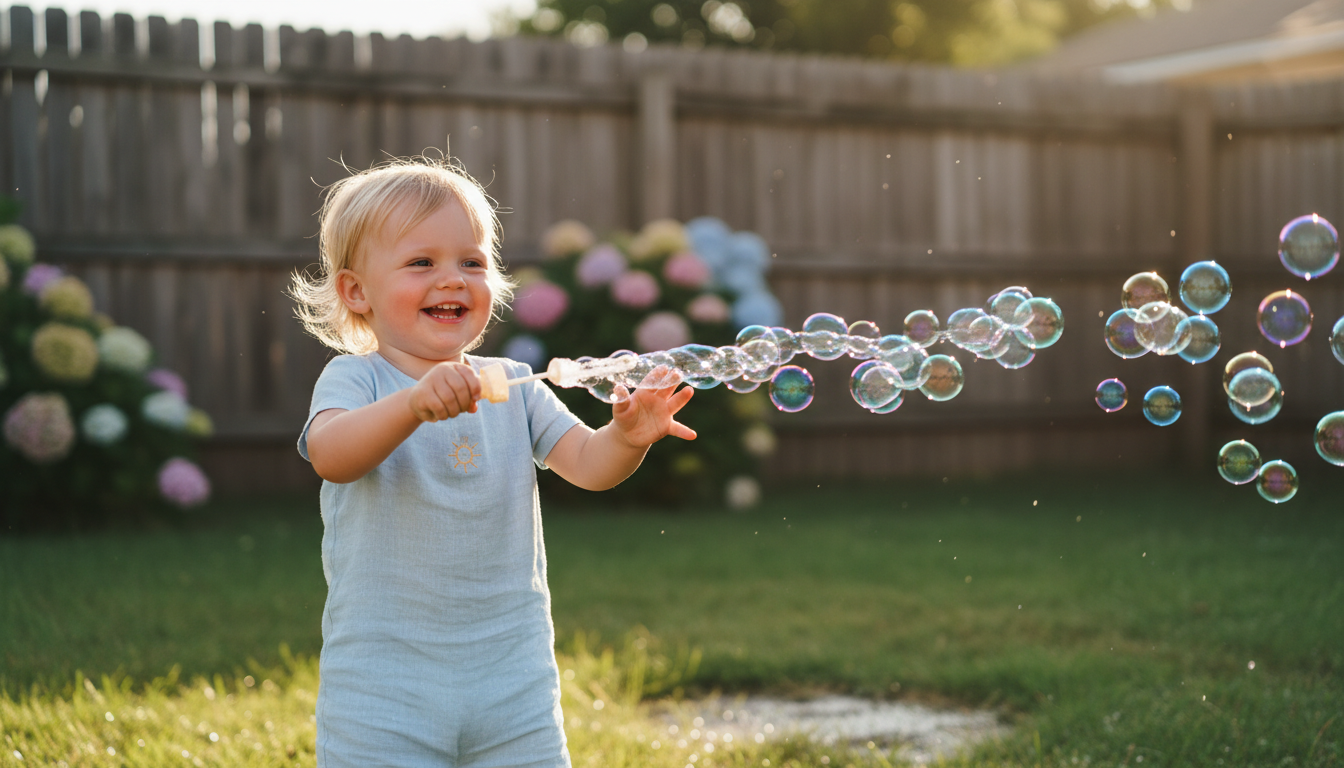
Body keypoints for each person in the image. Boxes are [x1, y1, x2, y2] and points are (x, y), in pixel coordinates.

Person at [290, 157, 696, 768]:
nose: (452, 279)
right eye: (421, 262)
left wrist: (626, 437)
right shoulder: (358, 379)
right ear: (356, 291)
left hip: (512, 681)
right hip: (384, 687)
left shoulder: (512, 384)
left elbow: (587, 464)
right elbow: (331, 455)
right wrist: (412, 406)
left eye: (471, 262)